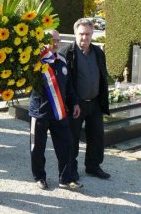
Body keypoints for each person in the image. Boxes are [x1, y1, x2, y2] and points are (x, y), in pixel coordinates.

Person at [29, 30, 83, 190]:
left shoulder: (62, 60)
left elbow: (69, 86)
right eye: (52, 40)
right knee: (37, 148)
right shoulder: (36, 61)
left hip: (60, 112)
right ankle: (39, 177)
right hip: (40, 112)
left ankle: (66, 179)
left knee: (66, 146)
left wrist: (75, 103)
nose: (56, 43)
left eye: (58, 40)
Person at [60, 18, 111, 180]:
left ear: (92, 34)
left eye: (88, 34)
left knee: (97, 136)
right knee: (72, 138)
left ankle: (93, 166)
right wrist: (72, 102)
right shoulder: (66, 53)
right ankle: (71, 168)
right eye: (81, 34)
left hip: (94, 102)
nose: (85, 38)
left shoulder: (98, 52)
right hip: (76, 104)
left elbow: (102, 77)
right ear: (75, 33)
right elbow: (64, 82)